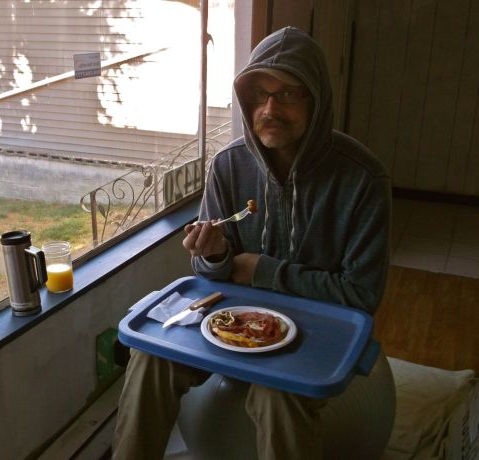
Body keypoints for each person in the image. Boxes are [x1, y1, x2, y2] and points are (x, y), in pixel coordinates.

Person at [113, 26, 393, 460]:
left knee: (278, 394)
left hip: (315, 328)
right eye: (259, 94)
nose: (270, 109)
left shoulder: (363, 180)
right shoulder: (228, 166)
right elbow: (210, 274)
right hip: (232, 321)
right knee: (150, 358)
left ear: (317, 100)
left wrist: (260, 269)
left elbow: (362, 294)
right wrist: (215, 255)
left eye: (288, 94)